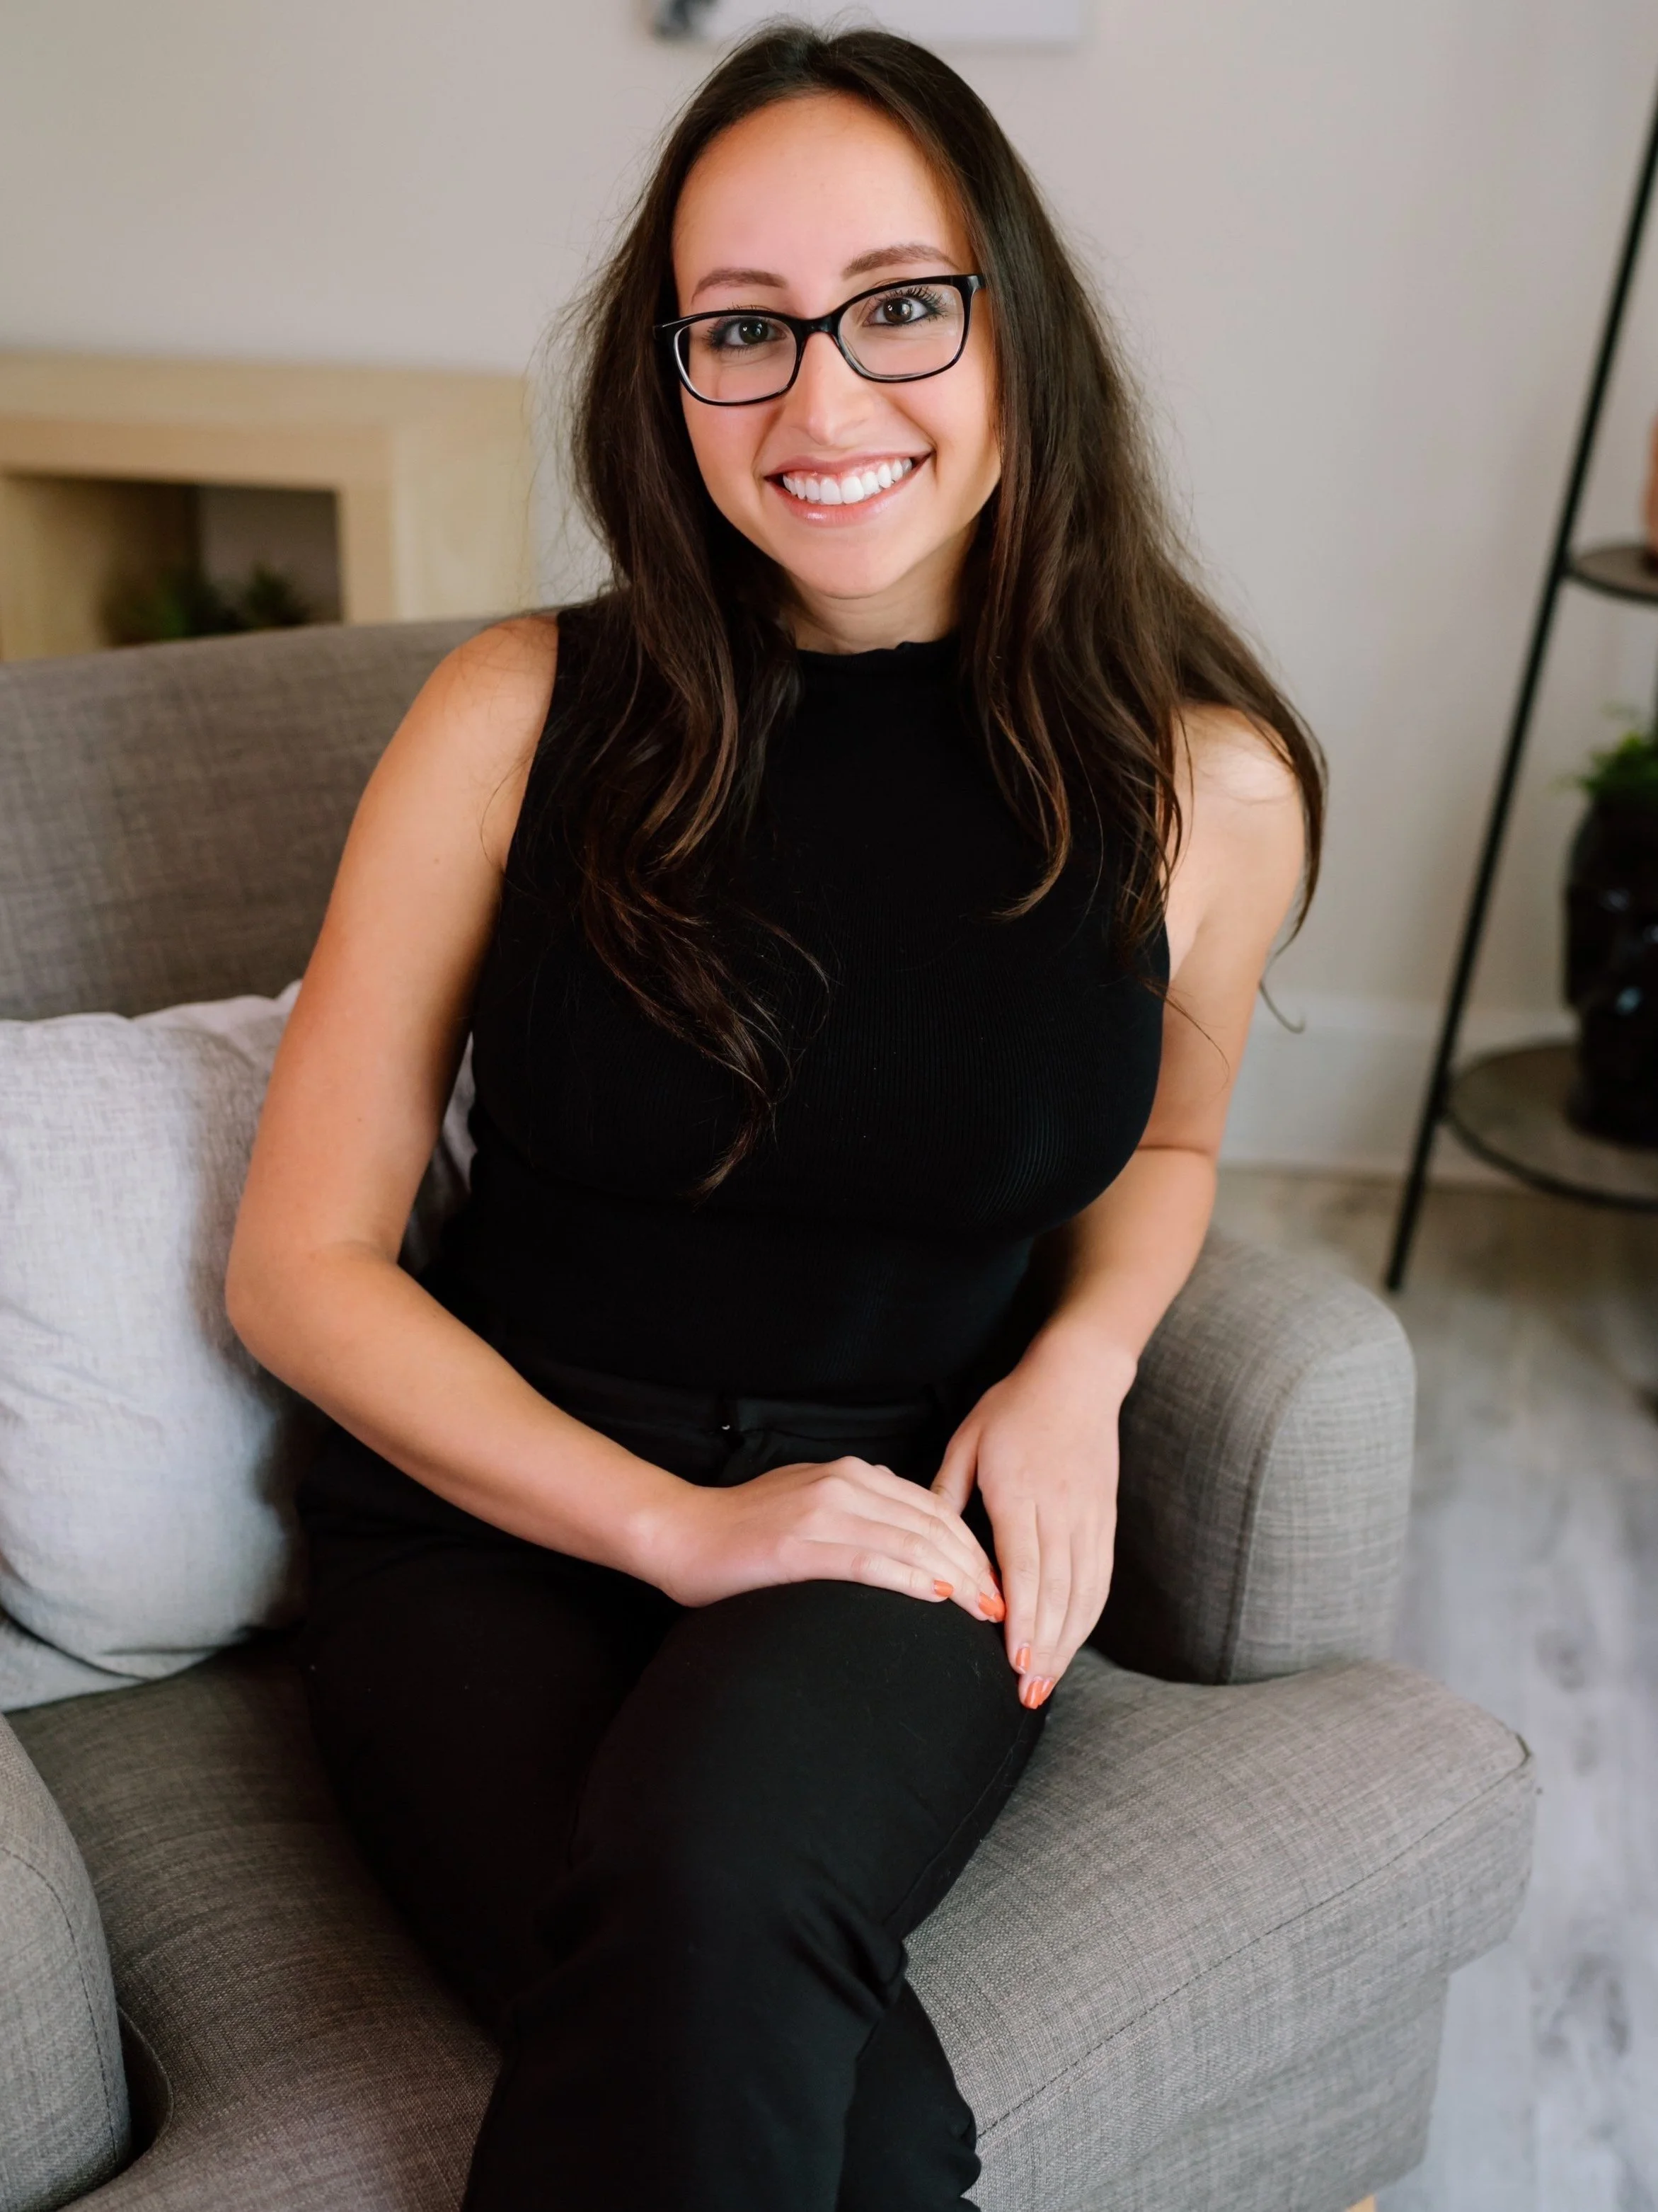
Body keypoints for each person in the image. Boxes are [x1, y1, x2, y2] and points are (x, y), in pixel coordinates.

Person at [226, 23, 1323, 2212]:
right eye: (740, 330)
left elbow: (1163, 1148)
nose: (820, 404)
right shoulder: (517, 714)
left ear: (1016, 322)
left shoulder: (1202, 787)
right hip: (486, 1510)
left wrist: (1079, 1367)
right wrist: (674, 1523)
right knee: (868, 2137)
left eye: (898, 305)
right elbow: (299, 1266)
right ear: (667, 378)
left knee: (725, 1888)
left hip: (904, 1514)